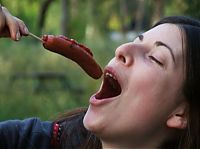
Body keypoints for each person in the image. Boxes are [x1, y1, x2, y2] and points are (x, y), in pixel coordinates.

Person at [1, 4, 200, 149]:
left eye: (156, 58)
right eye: (135, 40)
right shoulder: (32, 141)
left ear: (181, 114)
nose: (122, 49)